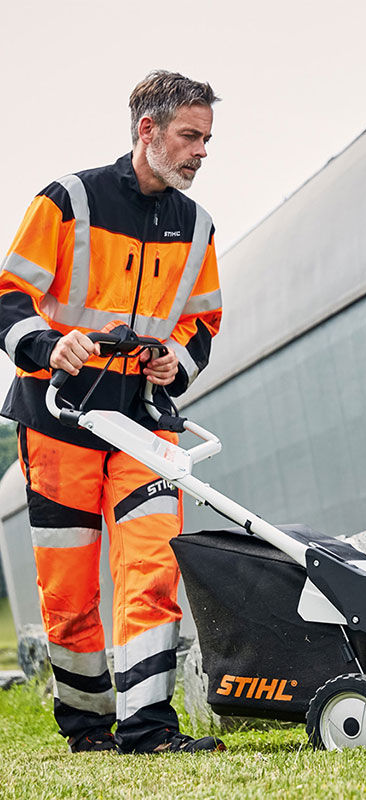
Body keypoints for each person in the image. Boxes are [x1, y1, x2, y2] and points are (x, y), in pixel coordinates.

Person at [0, 71, 224, 754]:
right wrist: (47, 343)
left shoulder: (198, 225)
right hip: (59, 419)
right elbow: (9, 299)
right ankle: (89, 728)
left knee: (151, 569)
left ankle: (150, 727)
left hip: (144, 425)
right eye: (190, 136)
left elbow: (203, 325)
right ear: (147, 132)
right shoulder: (68, 201)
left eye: (208, 139)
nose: (201, 152)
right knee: (68, 591)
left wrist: (174, 363)